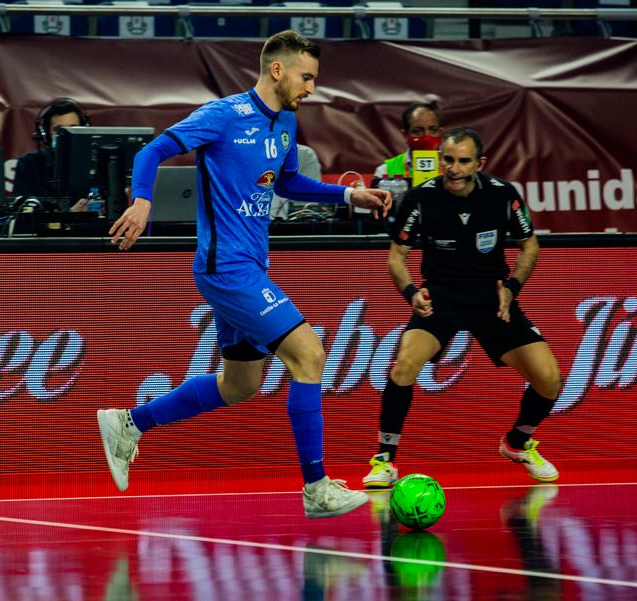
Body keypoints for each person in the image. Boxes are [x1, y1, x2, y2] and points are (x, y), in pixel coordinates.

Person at [97, 30, 391, 519]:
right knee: (309, 355)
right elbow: (150, 152)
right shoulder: (223, 115)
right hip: (225, 267)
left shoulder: (286, 122)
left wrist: (347, 196)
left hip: (249, 265)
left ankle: (128, 423)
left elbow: (290, 182)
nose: (312, 87)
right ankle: (317, 488)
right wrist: (143, 200)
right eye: (307, 76)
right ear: (277, 69)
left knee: (240, 386)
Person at [362, 127, 562, 489]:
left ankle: (516, 444)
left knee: (549, 380)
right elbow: (397, 257)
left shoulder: (502, 195)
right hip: (441, 298)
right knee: (405, 364)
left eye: (463, 161)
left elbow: (529, 246)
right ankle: (385, 461)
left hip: (492, 298)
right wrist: (411, 293)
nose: (453, 168)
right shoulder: (421, 198)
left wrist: (512, 289)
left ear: (479, 164)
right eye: (448, 160)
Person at [12, 97, 91, 211]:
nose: (66, 135)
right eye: (59, 129)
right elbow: (23, 213)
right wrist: (68, 215)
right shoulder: (29, 163)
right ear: (46, 134)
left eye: (73, 128)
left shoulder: (96, 162)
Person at [371, 102, 441, 190]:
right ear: (405, 135)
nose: (427, 138)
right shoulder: (385, 171)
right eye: (418, 131)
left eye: (433, 130)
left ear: (440, 132)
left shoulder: (452, 167)